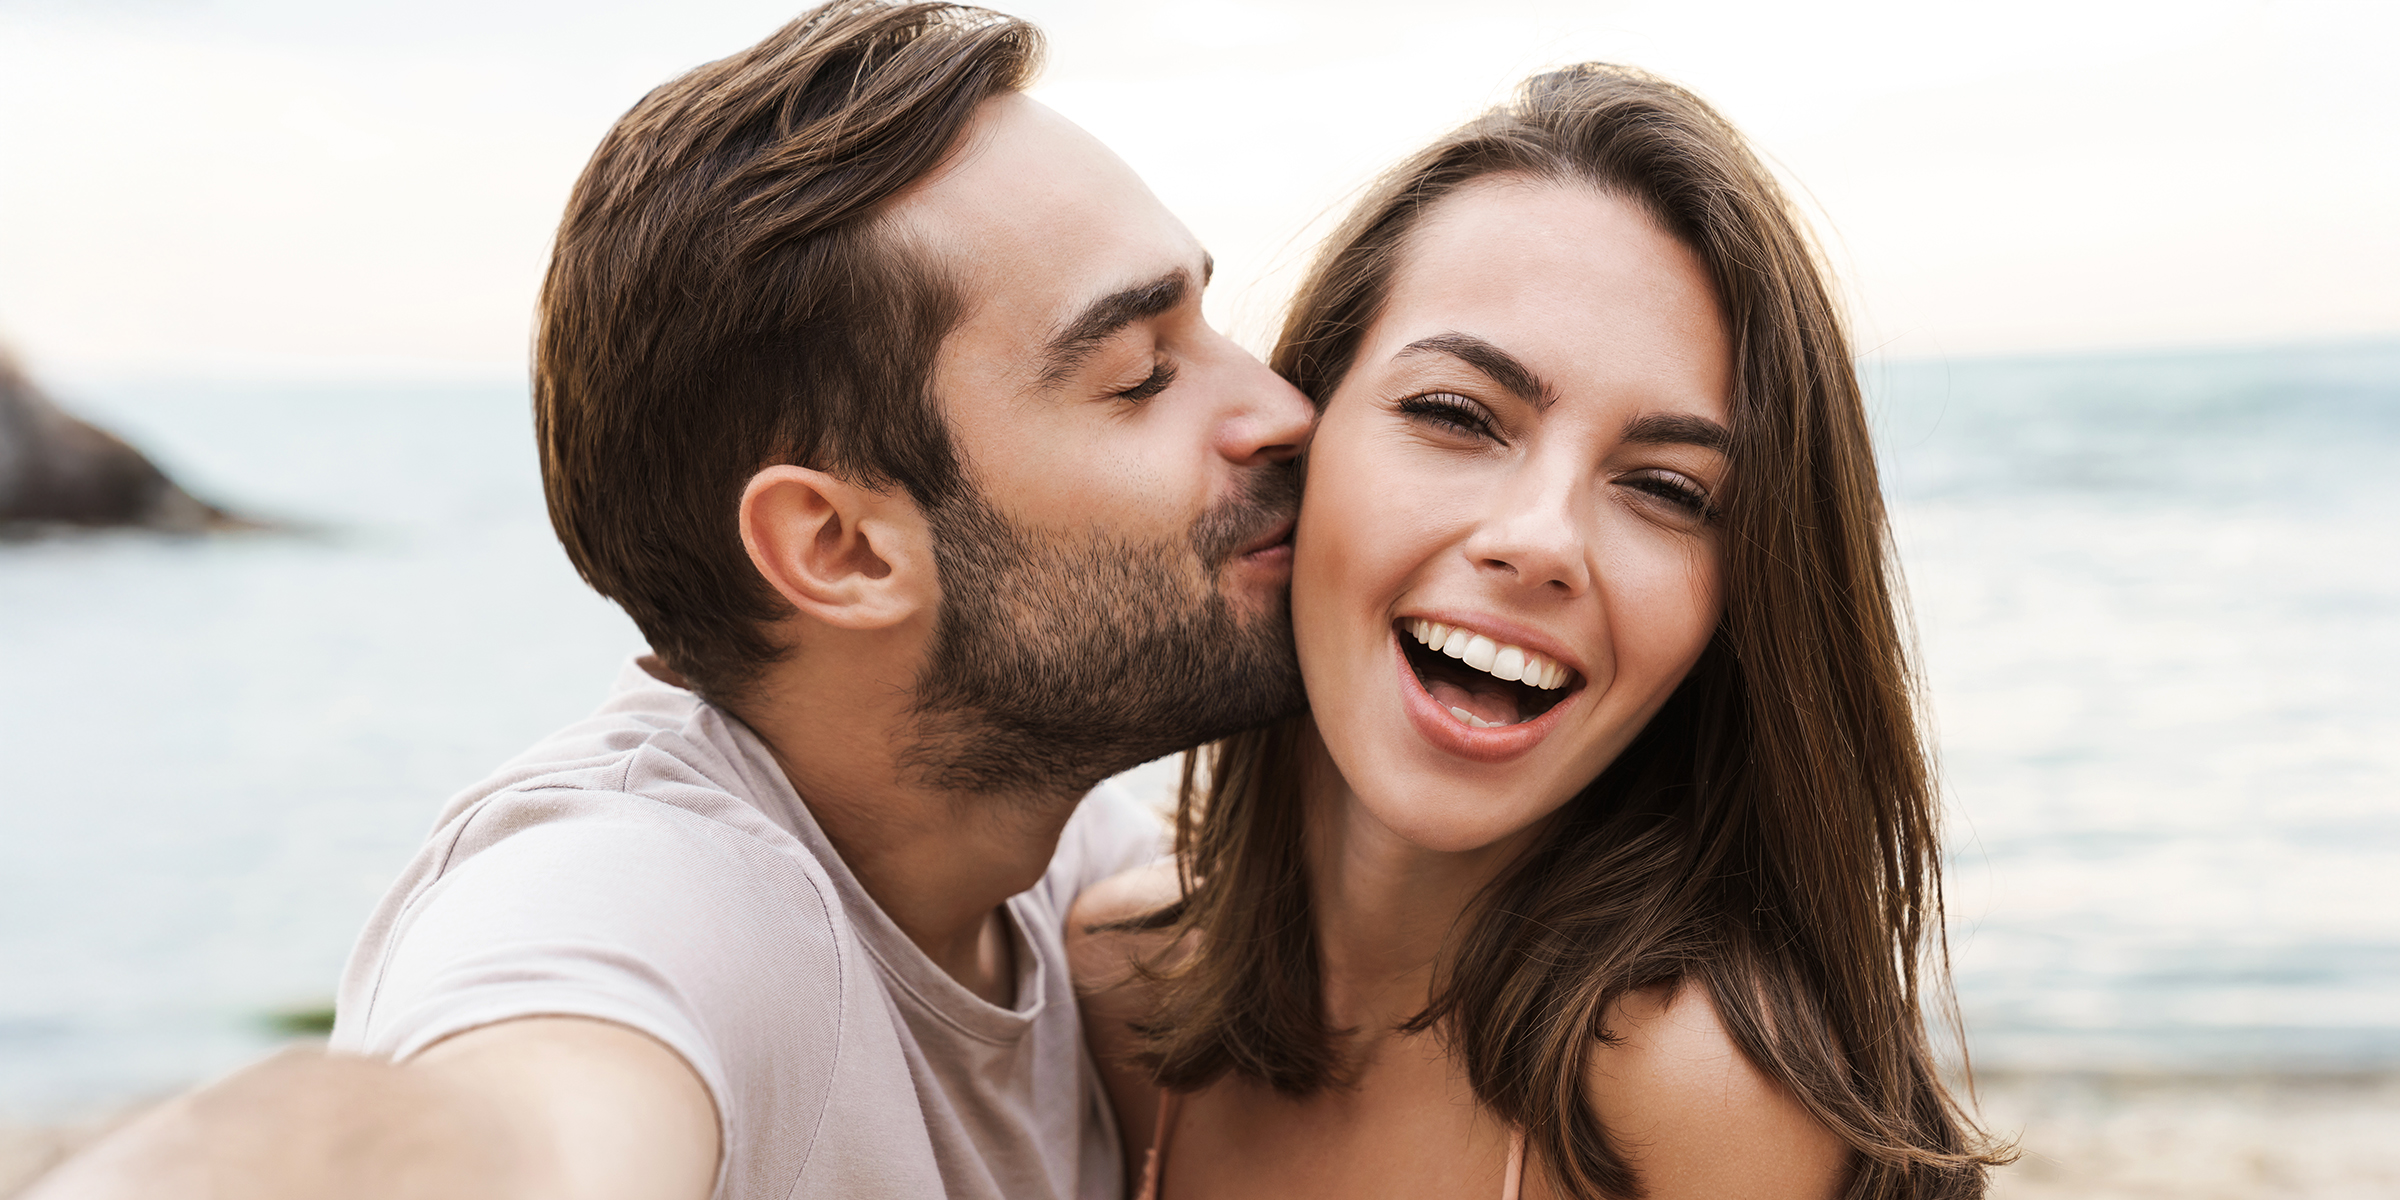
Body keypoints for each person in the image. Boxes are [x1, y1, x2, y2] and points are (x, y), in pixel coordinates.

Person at [28, 4, 1314, 1199]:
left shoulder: (1031, 855)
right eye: (1143, 372)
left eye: (1207, 327)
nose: (1281, 410)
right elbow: (508, 1122)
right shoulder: (655, 896)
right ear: (842, 549)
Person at [1069, 65, 2011, 1199]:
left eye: (1668, 488)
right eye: (1458, 415)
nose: (1542, 539)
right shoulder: (1110, 982)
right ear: (1301, 430)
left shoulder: (1690, 1096)